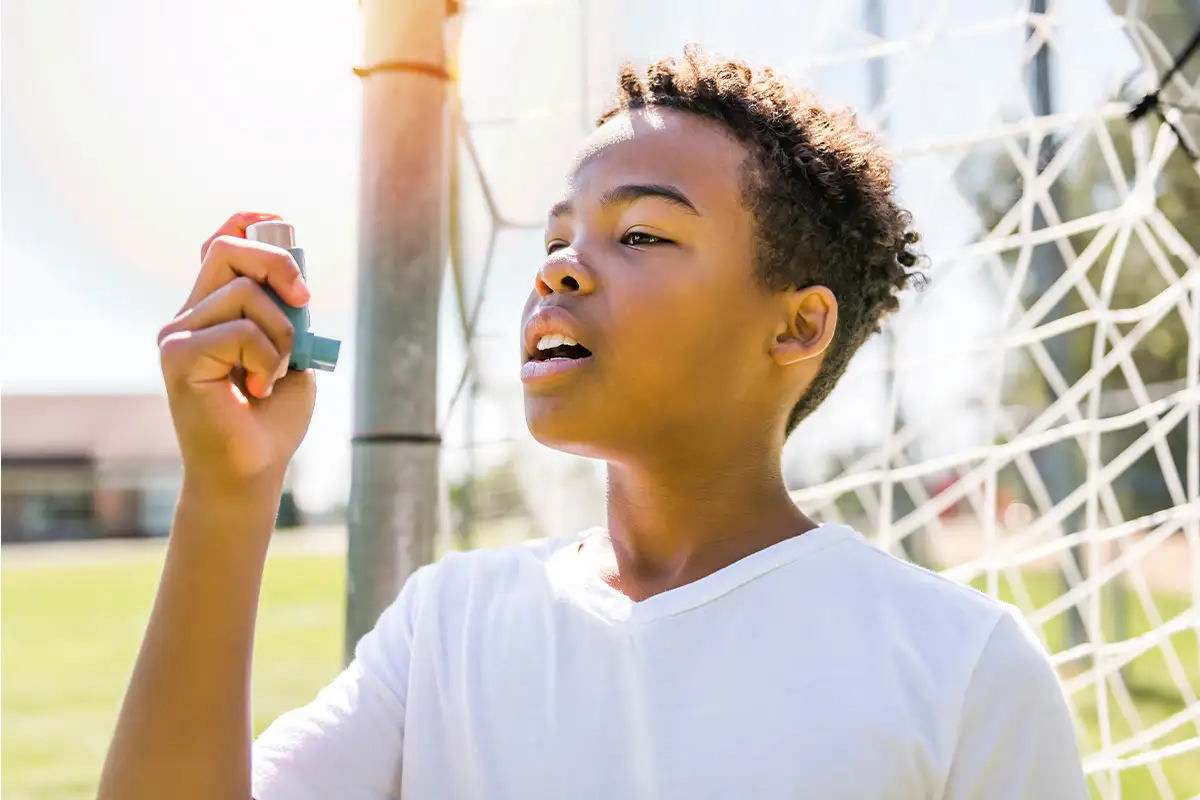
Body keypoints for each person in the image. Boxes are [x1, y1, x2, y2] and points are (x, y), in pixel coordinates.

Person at [99, 48, 1088, 799]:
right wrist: (229, 492)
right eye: (558, 236)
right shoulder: (448, 621)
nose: (559, 267)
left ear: (796, 325)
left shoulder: (961, 664)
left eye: (641, 233)